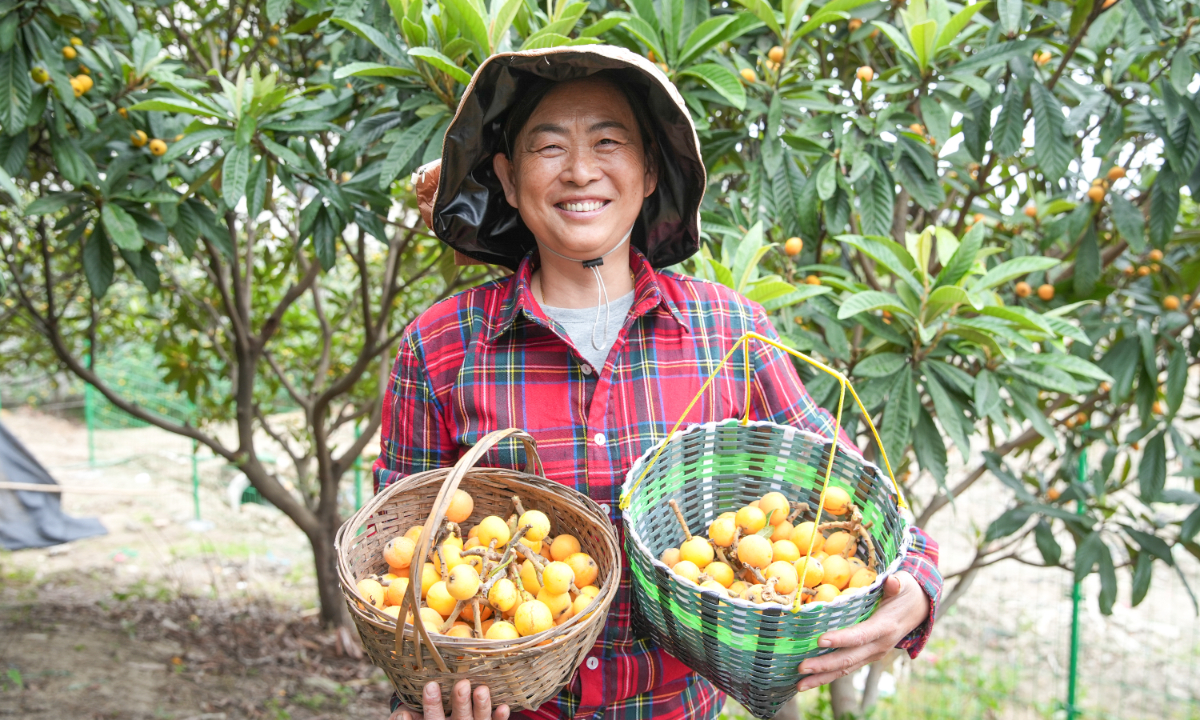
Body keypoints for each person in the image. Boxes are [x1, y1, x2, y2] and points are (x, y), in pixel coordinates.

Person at [373, 45, 942, 720]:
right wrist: (418, 697)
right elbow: (397, 559)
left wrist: (918, 584)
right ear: (507, 173)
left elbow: (848, 483)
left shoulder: (731, 333)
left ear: (647, 171)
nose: (581, 170)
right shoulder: (439, 349)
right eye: (547, 147)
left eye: (609, 141)